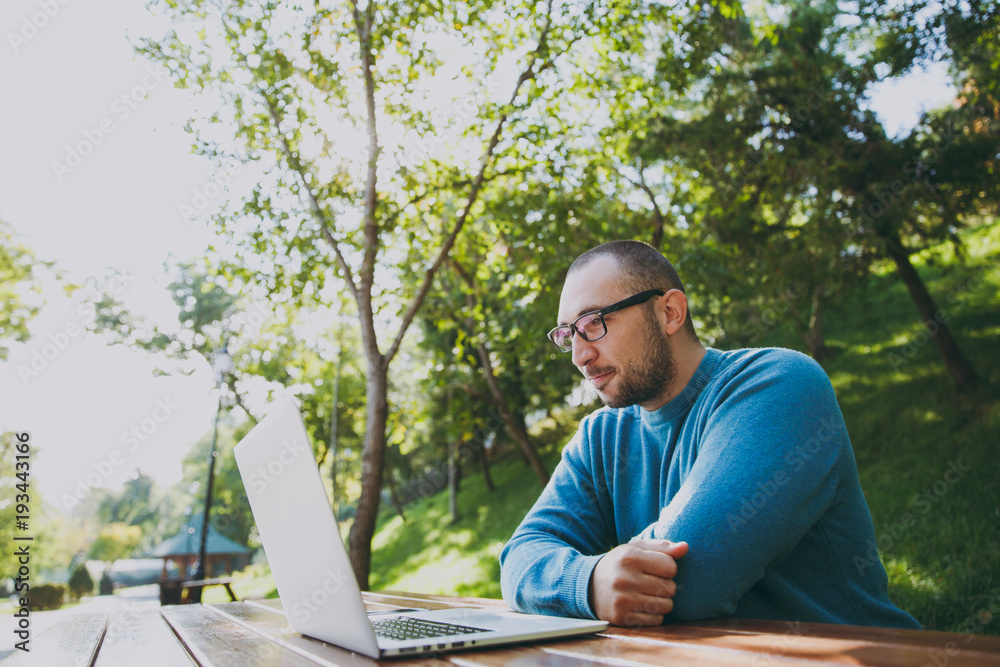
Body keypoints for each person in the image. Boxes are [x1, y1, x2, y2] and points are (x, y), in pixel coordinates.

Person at [499, 240, 919, 628]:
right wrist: (589, 582)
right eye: (567, 334)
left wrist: (583, 581)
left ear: (670, 313)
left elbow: (692, 583)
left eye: (594, 323)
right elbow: (519, 558)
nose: (580, 354)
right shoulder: (598, 439)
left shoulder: (779, 385)